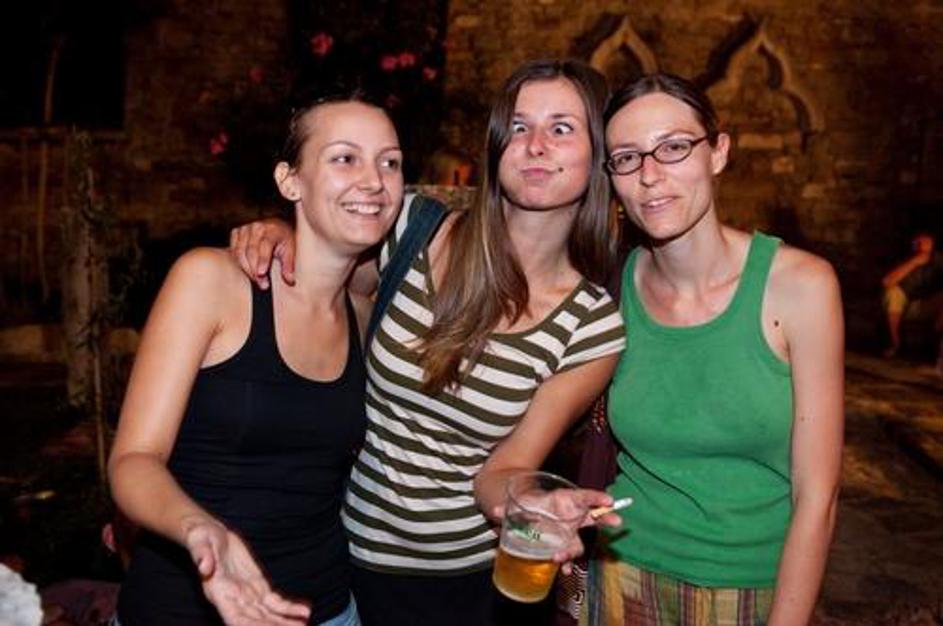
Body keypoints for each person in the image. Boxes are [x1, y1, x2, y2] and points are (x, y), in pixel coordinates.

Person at [229, 59, 626, 626]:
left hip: (463, 586)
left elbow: (505, 469)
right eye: (518, 127)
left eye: (561, 128)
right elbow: (320, 288)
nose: (535, 145)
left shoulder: (592, 327)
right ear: (497, 145)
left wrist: (531, 503)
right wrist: (282, 232)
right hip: (339, 555)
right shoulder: (413, 229)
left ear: (597, 157)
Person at [108, 89, 405, 626]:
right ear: (290, 181)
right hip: (184, 607)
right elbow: (133, 460)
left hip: (326, 609)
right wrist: (202, 531)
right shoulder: (210, 281)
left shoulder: (364, 317)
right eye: (344, 158)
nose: (374, 180)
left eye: (390, 162)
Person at [582, 73, 845, 626]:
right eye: (627, 158)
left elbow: (817, 495)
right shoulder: (609, 289)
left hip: (753, 589)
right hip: (623, 575)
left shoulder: (800, 287)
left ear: (718, 152)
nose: (650, 175)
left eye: (674, 147)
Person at [881, 232, 943, 358]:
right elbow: (887, 282)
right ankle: (895, 343)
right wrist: (914, 262)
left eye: (925, 242)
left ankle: (936, 345)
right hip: (906, 307)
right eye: (917, 242)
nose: (920, 245)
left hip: (929, 306)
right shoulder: (904, 259)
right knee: (893, 293)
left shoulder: (938, 261)